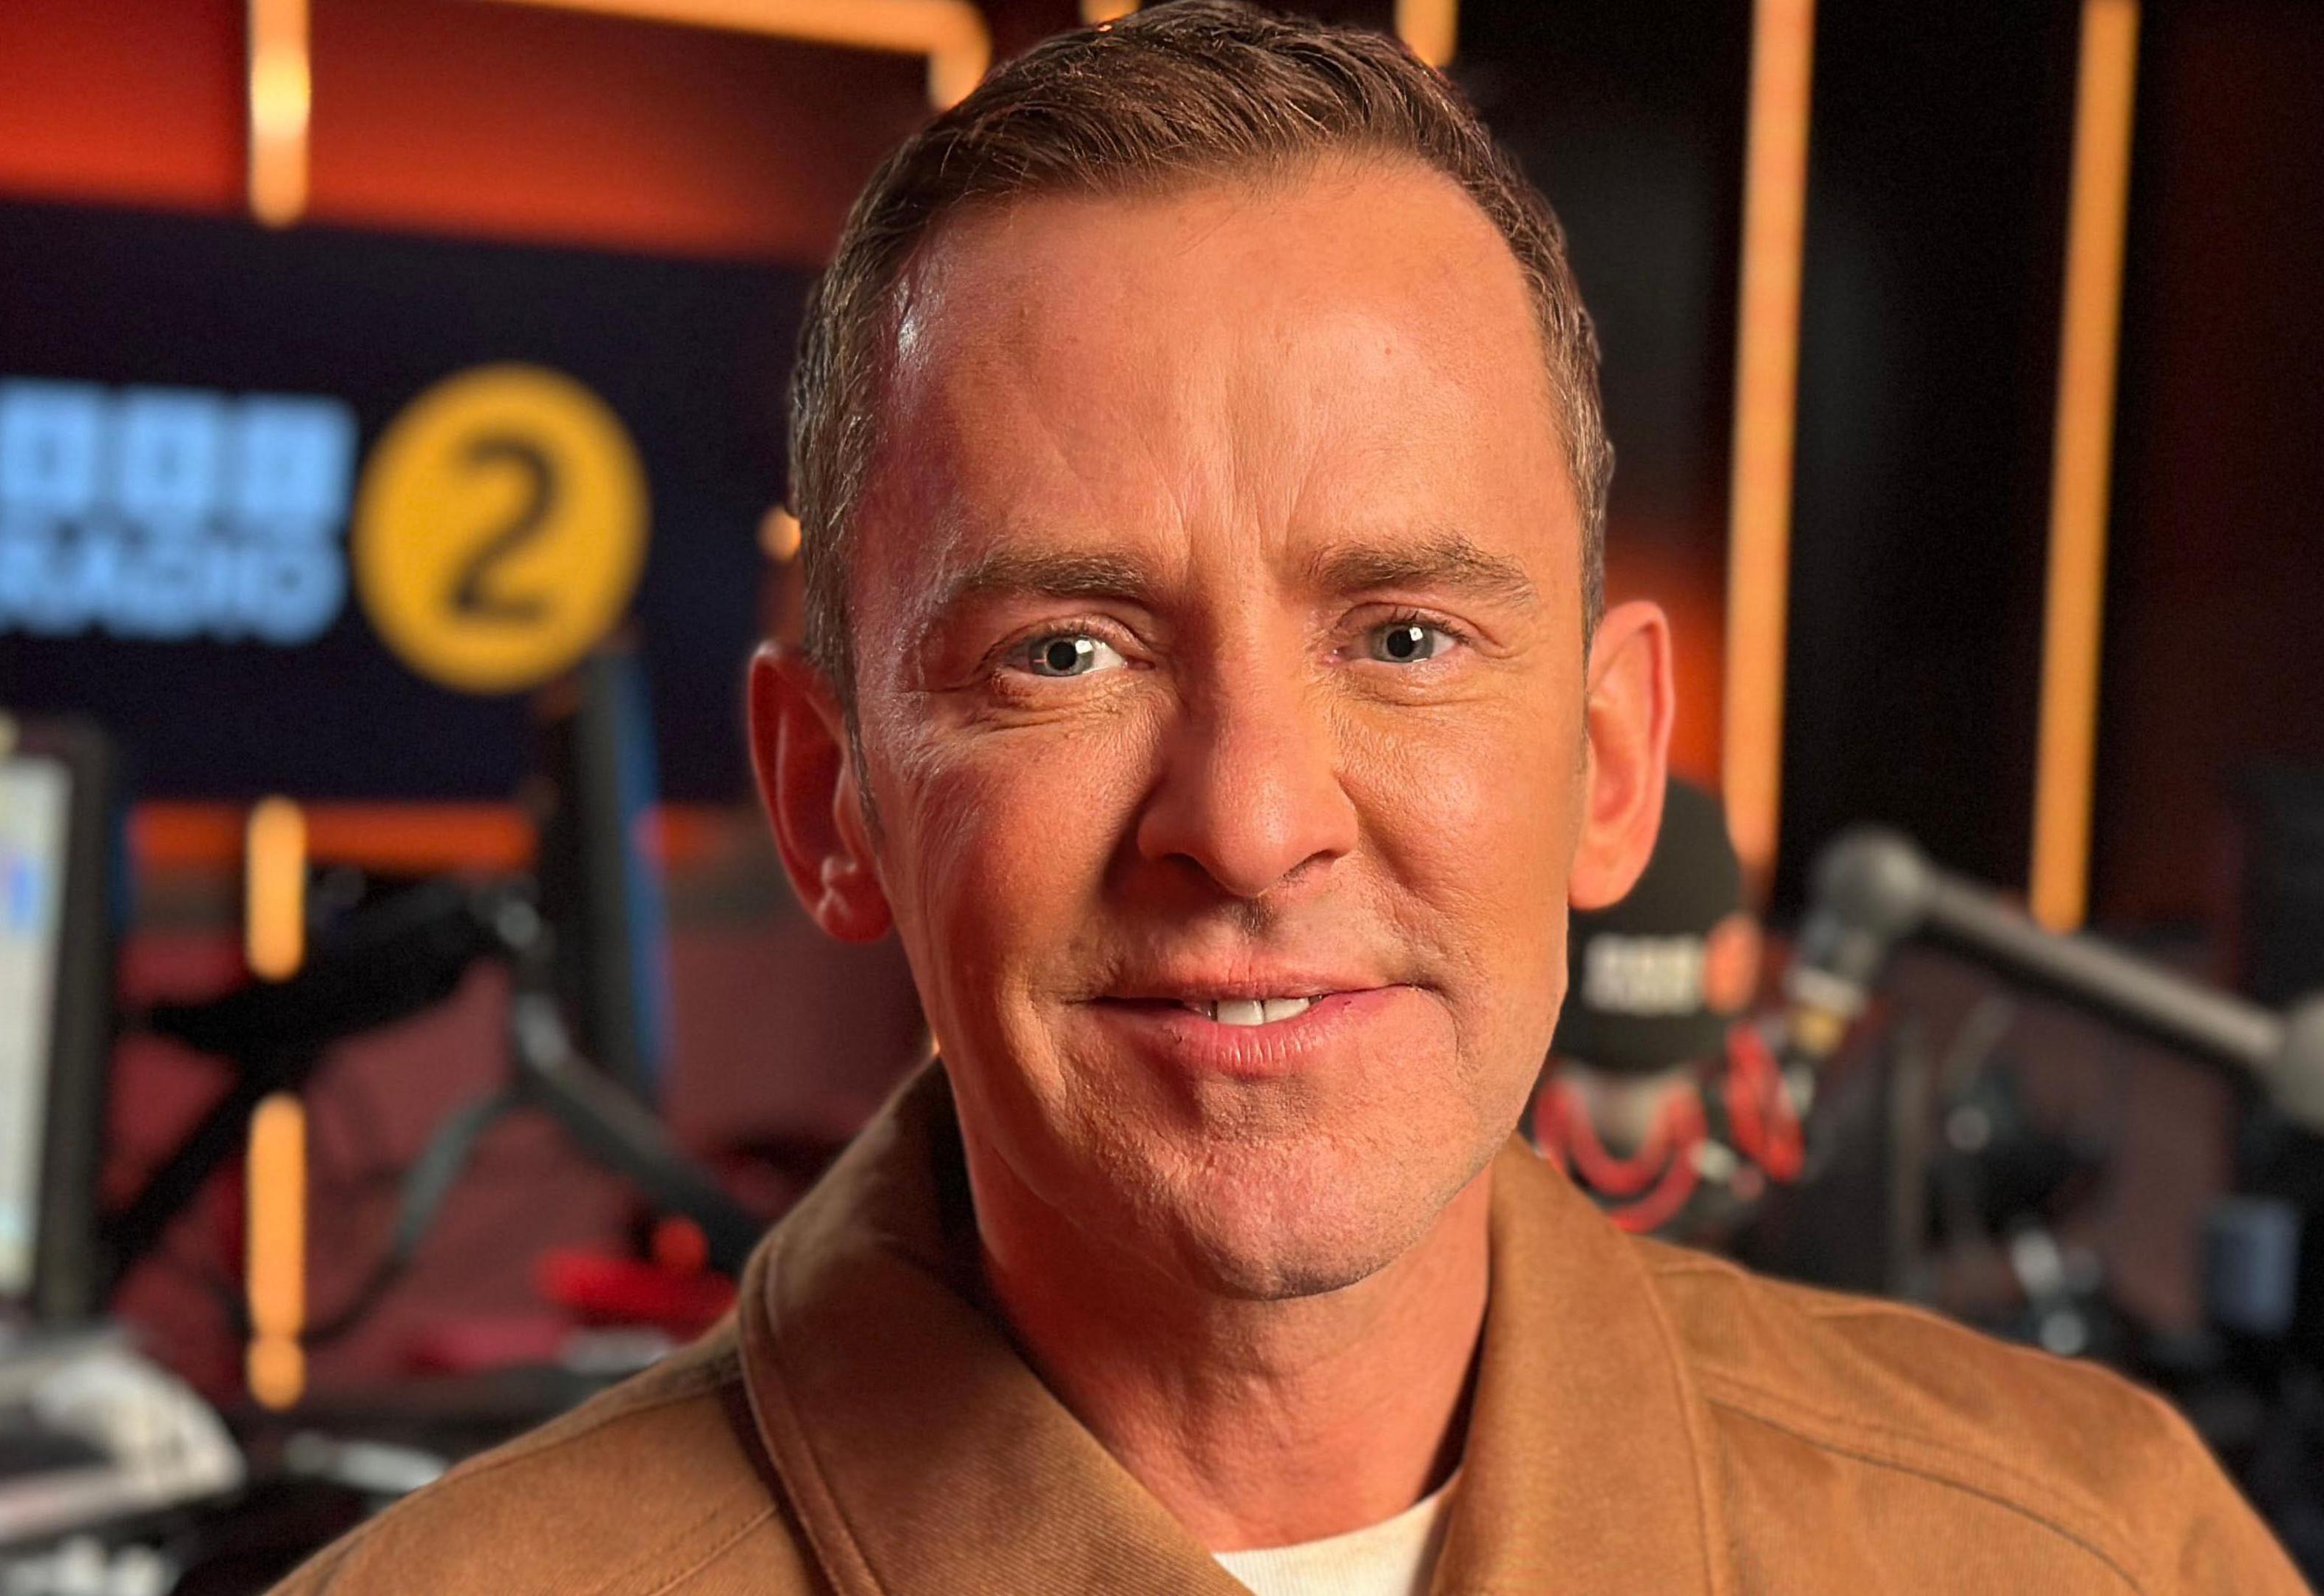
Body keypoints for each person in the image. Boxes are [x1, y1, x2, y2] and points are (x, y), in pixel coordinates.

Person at [274, 4, 2306, 1590]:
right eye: (1064, 655)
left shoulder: (2095, 1556)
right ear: (830, 800)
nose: (1251, 825)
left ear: (1612, 768)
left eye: (1405, 636)